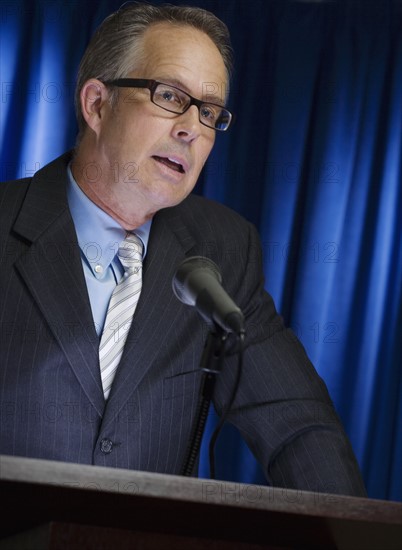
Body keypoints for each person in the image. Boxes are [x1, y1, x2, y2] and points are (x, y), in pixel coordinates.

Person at [0, 2, 366, 496]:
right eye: (170, 96)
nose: (191, 128)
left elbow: (298, 427)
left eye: (209, 111)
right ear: (97, 105)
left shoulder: (224, 250)